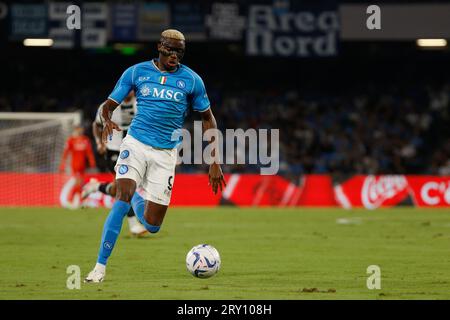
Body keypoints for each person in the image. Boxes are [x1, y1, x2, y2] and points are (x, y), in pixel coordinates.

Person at [84, 29, 226, 283]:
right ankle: (99, 268)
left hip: (165, 155)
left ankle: (131, 194)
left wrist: (214, 161)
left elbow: (208, 118)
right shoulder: (136, 72)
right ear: (159, 46)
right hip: (135, 145)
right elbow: (108, 105)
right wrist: (106, 119)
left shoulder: (192, 80)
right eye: (170, 49)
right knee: (122, 198)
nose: (174, 55)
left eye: (179, 51)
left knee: (152, 225)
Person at [82, 91, 147, 236]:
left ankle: (96, 186)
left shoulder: (142, 104)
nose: (128, 92)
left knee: (119, 188)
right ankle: (134, 225)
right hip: (114, 151)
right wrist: (99, 143)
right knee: (126, 187)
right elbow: (96, 125)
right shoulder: (108, 106)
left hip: (134, 150)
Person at [59, 126, 96, 205]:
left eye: (81, 130)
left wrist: (92, 161)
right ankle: (76, 199)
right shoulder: (71, 140)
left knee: (80, 183)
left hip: (83, 166)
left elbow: (89, 152)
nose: (80, 131)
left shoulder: (85, 140)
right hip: (75, 165)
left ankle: (75, 199)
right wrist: (62, 164)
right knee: (78, 182)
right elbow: (66, 153)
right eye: (78, 130)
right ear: (75, 130)